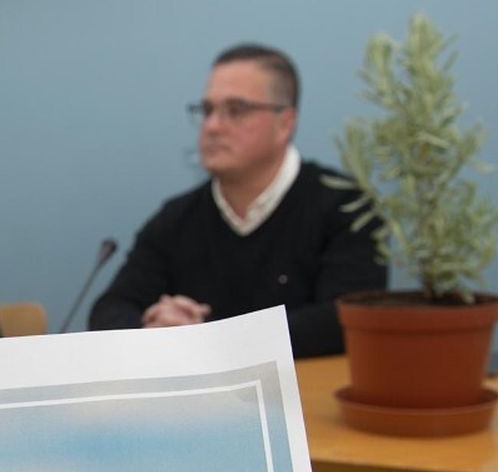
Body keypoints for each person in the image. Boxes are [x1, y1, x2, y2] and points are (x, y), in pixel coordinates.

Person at [88, 44, 384, 356]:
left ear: (285, 123)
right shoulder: (177, 219)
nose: (213, 126)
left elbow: (344, 320)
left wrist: (206, 337)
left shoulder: (345, 204)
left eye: (236, 110)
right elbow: (110, 309)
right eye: (207, 110)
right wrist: (154, 330)